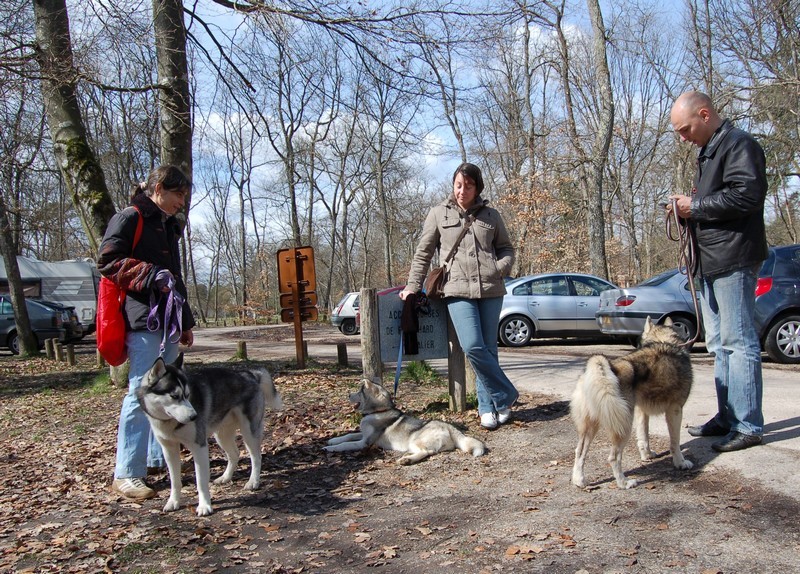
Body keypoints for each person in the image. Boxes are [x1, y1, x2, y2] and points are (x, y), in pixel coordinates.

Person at [668, 91, 767, 453]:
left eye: (684, 128)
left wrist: (696, 206)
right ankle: (727, 416)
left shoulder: (740, 145)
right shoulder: (708, 152)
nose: (683, 137)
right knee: (718, 345)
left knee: (739, 344)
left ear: (705, 114)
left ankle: (748, 424)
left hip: (734, 258)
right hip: (709, 261)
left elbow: (748, 196)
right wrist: (687, 207)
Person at [97, 165, 196, 499]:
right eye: (177, 194)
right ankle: (127, 472)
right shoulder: (130, 216)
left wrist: (185, 322)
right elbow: (108, 260)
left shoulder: (168, 225)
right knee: (140, 391)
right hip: (142, 320)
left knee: (165, 390)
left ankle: (156, 460)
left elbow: (176, 277)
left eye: (183, 195)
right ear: (158, 188)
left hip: (169, 322)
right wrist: (148, 273)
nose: (181, 202)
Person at [400, 162, 518, 429]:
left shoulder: (491, 215)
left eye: (469, 185)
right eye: (458, 185)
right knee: (473, 346)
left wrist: (498, 269)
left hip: (490, 289)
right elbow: (423, 253)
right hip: (456, 290)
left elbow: (507, 249)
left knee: (489, 349)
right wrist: (411, 286)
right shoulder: (438, 214)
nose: (463, 190)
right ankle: (505, 396)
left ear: (478, 187)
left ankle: (488, 407)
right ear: (453, 185)